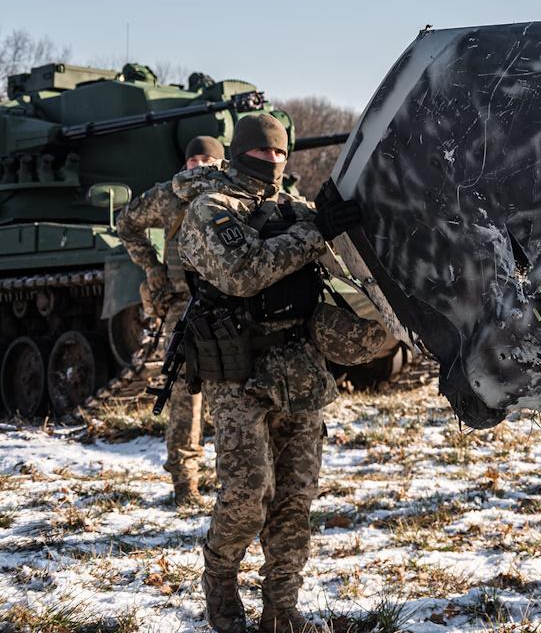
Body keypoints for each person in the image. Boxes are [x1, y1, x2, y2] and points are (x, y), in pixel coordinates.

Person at [174, 113, 379, 633]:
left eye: (280, 153)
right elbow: (244, 273)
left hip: (300, 371)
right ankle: (221, 582)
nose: (273, 160)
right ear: (240, 152)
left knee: (294, 501)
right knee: (247, 497)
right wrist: (313, 233)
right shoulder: (210, 208)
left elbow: (342, 265)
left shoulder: (296, 208)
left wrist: (349, 221)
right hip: (238, 374)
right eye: (263, 152)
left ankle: (281, 610)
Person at [116, 135, 225, 506]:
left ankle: (234, 483)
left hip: (230, 304)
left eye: (207, 161)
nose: (200, 167)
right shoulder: (169, 195)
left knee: (231, 395)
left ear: (220, 163)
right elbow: (127, 222)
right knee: (184, 394)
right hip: (184, 305)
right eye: (193, 161)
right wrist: (152, 267)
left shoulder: (234, 191)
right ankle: (185, 483)